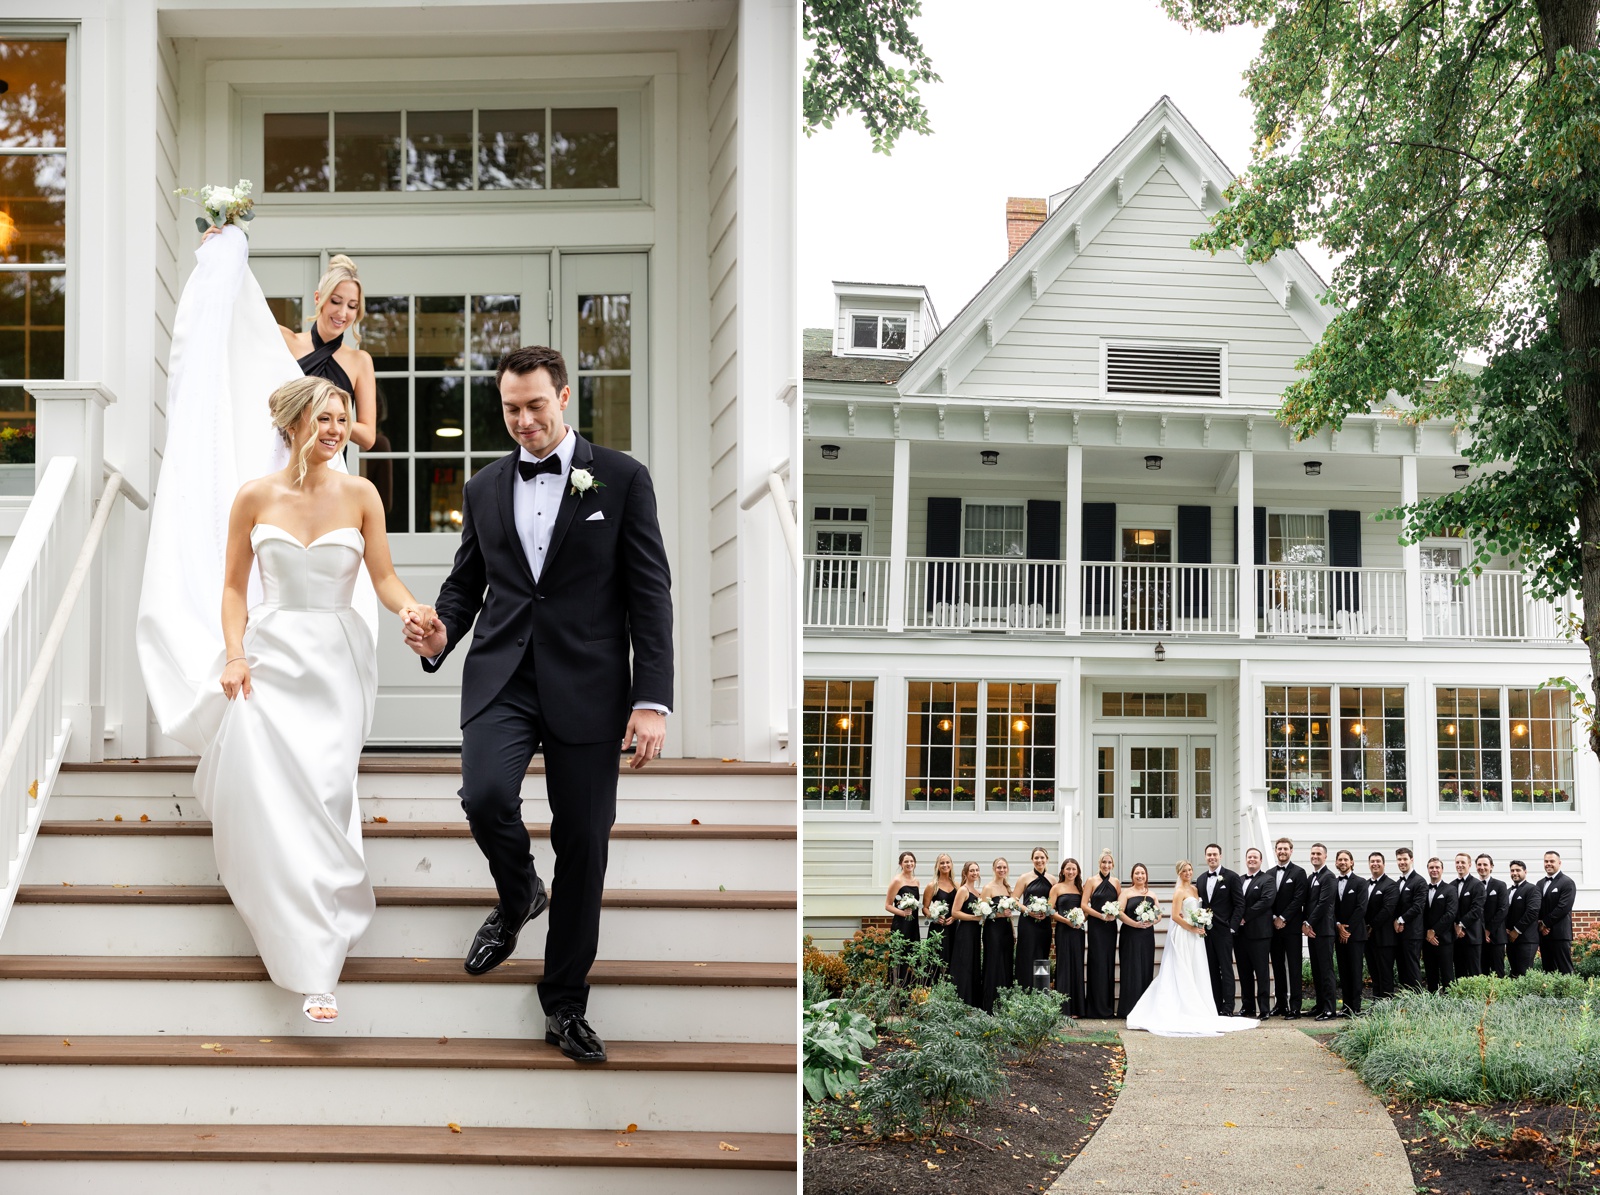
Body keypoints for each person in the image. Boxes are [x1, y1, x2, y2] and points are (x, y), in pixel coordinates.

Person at [404, 345, 673, 1064]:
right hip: (503, 676)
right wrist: (440, 629)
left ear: (564, 397)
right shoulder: (484, 485)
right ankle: (520, 889)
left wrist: (651, 700)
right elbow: (466, 584)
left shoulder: (621, 478)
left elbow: (650, 595)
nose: (523, 421)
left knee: (583, 847)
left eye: (535, 406)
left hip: (590, 686)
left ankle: (563, 1002)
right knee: (486, 794)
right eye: (510, 409)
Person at [198, 377, 437, 1022]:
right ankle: (307, 962)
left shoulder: (361, 494)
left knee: (327, 797)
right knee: (272, 796)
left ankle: (323, 946)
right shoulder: (254, 497)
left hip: (336, 661)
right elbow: (232, 588)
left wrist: (413, 607)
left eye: (342, 418)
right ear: (292, 423)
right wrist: (235, 652)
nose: (335, 429)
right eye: (323, 418)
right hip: (270, 655)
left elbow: (383, 577)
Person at [201, 225, 379, 450]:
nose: (343, 313)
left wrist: (328, 419)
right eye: (335, 301)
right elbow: (238, 314)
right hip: (282, 457)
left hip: (330, 469)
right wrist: (217, 257)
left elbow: (369, 436)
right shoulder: (284, 340)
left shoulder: (359, 361)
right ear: (318, 298)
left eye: (352, 306)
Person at [1125, 861, 1258, 1038]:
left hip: (1197, 937)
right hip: (1184, 934)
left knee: (1198, 969)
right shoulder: (1179, 891)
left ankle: (1202, 1004)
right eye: (1184, 871)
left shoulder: (1196, 889)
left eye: (1189, 870)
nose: (1187, 873)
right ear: (1179, 873)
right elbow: (1174, 916)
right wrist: (1192, 927)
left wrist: (1200, 923)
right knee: (1183, 969)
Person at [1197, 843, 1240, 1015]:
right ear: (1205, 857)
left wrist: (1232, 927)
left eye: (1215, 854)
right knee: (1211, 969)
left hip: (1224, 931)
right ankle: (1214, 1005)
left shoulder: (1231, 877)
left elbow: (1239, 904)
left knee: (1226, 968)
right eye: (1209, 855)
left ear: (1220, 856)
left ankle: (1228, 1007)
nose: (1212, 857)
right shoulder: (1200, 879)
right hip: (1206, 933)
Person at [1268, 837, 1308, 1018]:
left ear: (1291, 851)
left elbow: (1299, 899)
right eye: (1279, 849)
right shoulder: (1268, 873)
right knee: (1277, 966)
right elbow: (1267, 899)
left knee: (1294, 966)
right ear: (1275, 851)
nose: (1282, 851)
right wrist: (1275, 917)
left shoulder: (1299, 873)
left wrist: (1283, 918)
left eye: (1285, 849)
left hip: (1291, 927)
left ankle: (1295, 1007)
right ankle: (1281, 1004)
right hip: (1273, 928)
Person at [1233, 847, 1275, 1018]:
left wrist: (1244, 917)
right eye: (1249, 857)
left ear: (1260, 860)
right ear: (1245, 860)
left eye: (1255, 857)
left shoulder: (1268, 879)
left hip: (1259, 934)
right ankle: (1247, 1006)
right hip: (1240, 935)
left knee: (1261, 972)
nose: (1251, 859)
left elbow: (1266, 901)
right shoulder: (1239, 879)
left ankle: (1264, 1009)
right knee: (1244, 972)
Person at [1082, 850, 1121, 1018]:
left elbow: (1121, 903)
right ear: (1099, 864)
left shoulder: (1116, 882)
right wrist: (1099, 915)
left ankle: (1107, 1008)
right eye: (1104, 862)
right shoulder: (1091, 881)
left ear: (1113, 865)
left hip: (1110, 928)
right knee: (1096, 962)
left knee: (1108, 962)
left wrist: (1114, 913)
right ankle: (1094, 1008)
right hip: (1096, 926)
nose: (1106, 865)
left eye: (1109, 863)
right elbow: (1084, 905)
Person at [1302, 843, 1338, 1020]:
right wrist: (1305, 923)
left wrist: (1308, 923)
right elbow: (1308, 903)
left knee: (1326, 970)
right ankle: (1320, 1005)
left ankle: (1330, 1009)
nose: (1315, 856)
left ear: (1325, 856)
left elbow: (1324, 903)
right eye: (1312, 853)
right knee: (1316, 970)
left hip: (1324, 931)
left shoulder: (1329, 877)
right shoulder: (1311, 877)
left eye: (1318, 853)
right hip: (1312, 931)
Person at [1117, 863, 1159, 1016]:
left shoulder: (1152, 894)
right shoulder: (1126, 893)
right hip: (1130, 934)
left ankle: (1145, 1008)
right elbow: (1119, 913)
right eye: (1137, 873)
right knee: (1131, 969)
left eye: (1142, 873)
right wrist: (1135, 923)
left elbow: (1159, 914)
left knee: (1145, 968)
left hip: (1147, 935)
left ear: (1146, 875)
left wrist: (1152, 921)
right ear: (1132, 876)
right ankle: (1128, 1009)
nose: (1140, 876)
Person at [1332, 850, 1369, 1017]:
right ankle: (1345, 1007)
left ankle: (1355, 1007)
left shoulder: (1360, 883)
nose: (1342, 862)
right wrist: (1338, 926)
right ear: (1336, 863)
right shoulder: (1333, 882)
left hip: (1355, 935)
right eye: (1340, 860)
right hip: (1338, 932)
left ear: (1352, 862)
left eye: (1345, 859)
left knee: (1355, 971)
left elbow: (1361, 908)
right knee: (1343, 971)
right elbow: (1330, 907)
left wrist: (1347, 930)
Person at [1013, 847, 1055, 991]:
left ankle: (1040, 991)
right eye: (1036, 858)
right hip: (1028, 924)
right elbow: (1014, 900)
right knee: (1027, 955)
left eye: (1042, 857)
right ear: (1032, 860)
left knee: (1042, 955)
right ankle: (1025, 990)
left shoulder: (1052, 879)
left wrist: (1047, 912)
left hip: (1044, 924)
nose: (1039, 861)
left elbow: (1054, 901)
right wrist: (1028, 911)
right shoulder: (1024, 878)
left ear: (1047, 859)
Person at [979, 858, 1016, 1012]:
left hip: (1006, 929)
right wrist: (998, 915)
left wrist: (1013, 931)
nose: (1002, 870)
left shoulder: (1008, 888)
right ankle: (990, 1003)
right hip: (992, 930)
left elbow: (1010, 914)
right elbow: (982, 912)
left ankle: (1004, 1002)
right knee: (993, 963)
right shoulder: (988, 888)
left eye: (1004, 867)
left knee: (1006, 963)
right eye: (999, 867)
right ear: (994, 869)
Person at [1051, 858, 1086, 1017]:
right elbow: (1050, 910)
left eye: (1074, 869)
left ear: (1077, 871)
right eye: (1068, 869)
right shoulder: (1057, 888)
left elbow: (1085, 909)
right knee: (1064, 965)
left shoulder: (1081, 888)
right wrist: (1067, 921)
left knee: (1077, 965)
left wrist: (1081, 921)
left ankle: (1078, 1008)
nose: (1071, 872)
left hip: (1078, 931)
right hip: (1063, 931)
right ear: (1063, 871)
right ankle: (1063, 1008)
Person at [1364, 852, 1400, 999]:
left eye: (1378, 861)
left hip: (1384, 937)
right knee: (1374, 972)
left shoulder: (1391, 885)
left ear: (1384, 864)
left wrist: (1371, 925)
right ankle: (1376, 1001)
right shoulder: (1365, 884)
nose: (1375, 864)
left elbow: (1388, 909)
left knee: (1385, 972)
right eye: (1372, 861)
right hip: (1368, 937)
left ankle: (1387, 1003)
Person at [949, 861, 985, 1006]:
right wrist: (973, 918)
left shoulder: (978, 892)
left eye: (977, 870)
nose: (974, 873)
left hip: (976, 932)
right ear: (965, 873)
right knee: (964, 964)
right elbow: (955, 912)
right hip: (965, 931)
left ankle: (973, 1001)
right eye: (971, 871)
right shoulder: (963, 890)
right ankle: (961, 1000)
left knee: (973, 963)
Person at [1392, 847, 1428, 991]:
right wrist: (1396, 921)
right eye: (1399, 859)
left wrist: (1400, 920)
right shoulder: (1397, 882)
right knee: (1402, 968)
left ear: (1411, 860)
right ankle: (1405, 1000)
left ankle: (1417, 1000)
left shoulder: (1419, 881)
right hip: (1398, 933)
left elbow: (1418, 907)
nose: (1402, 862)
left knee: (1412, 968)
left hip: (1413, 933)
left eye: (1405, 859)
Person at [884, 851, 922, 986]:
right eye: (906, 861)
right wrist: (902, 913)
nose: (909, 864)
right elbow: (888, 905)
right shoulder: (897, 881)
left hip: (913, 925)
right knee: (900, 956)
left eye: (911, 861)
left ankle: (911, 989)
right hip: (901, 925)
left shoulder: (916, 881)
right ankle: (897, 989)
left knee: (913, 955)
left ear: (915, 863)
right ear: (901, 864)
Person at [1422, 856, 1459, 992]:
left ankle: (1449, 1004)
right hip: (1427, 940)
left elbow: (1450, 914)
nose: (1434, 870)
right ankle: (1432, 1002)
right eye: (1431, 867)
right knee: (1431, 974)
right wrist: (1427, 932)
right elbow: (1421, 914)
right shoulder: (1424, 889)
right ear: (1428, 870)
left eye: (1437, 867)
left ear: (1442, 870)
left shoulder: (1450, 889)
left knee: (1447, 974)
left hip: (1444, 939)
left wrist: (1434, 931)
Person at [1538, 850, 1577, 974]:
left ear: (1559, 863)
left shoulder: (1567, 882)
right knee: (1548, 971)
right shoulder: (1540, 884)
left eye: (1552, 861)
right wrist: (1540, 924)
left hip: (1560, 934)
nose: (1548, 864)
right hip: (1544, 935)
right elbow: (1536, 906)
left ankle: (1571, 993)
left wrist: (1545, 923)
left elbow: (1563, 907)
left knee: (1565, 969)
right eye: (1546, 861)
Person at [925, 853, 960, 981]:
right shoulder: (932, 886)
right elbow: (925, 908)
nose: (945, 865)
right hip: (938, 928)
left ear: (951, 865)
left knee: (953, 957)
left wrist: (955, 918)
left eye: (947, 862)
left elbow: (961, 906)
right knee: (937, 958)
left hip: (954, 928)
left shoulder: (957, 885)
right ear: (937, 866)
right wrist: (933, 916)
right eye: (942, 863)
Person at [1505, 859, 1542, 977]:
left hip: (1526, 939)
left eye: (1518, 870)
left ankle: (1527, 996)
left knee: (1524, 973)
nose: (1514, 873)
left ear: (1525, 872)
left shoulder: (1532, 889)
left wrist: (1516, 931)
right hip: (1510, 939)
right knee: (1514, 973)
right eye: (1512, 870)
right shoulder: (1508, 891)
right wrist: (1505, 929)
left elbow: (1532, 911)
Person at [1451, 851, 1485, 978]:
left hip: (1472, 936)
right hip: (1455, 936)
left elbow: (1477, 909)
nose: (1460, 865)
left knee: (1474, 971)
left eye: (1463, 862)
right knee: (1459, 971)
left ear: (1469, 865)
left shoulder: (1477, 885)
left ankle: (1476, 998)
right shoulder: (1451, 885)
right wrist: (1455, 925)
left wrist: (1461, 924)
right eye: (1457, 862)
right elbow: (1451, 909)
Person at [1477, 854, 1509, 979]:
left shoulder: (1500, 885)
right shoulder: (1473, 885)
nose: (1482, 867)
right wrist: (1481, 931)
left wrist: (1488, 930)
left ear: (1491, 867)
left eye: (1485, 864)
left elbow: (1503, 909)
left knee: (1498, 972)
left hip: (1496, 937)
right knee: (1481, 972)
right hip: (1478, 937)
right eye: (1479, 864)